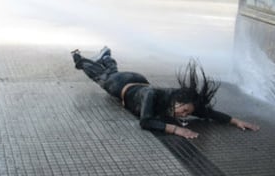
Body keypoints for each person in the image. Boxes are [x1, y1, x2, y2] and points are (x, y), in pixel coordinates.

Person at [71, 47, 260, 139]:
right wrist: (178, 130)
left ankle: (107, 57)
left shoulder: (181, 103)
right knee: (102, 78)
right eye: (184, 110)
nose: (185, 114)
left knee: (110, 72)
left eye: (187, 112)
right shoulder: (151, 96)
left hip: (138, 79)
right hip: (122, 86)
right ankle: (79, 58)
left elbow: (207, 113)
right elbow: (145, 122)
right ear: (178, 99)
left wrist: (235, 121)